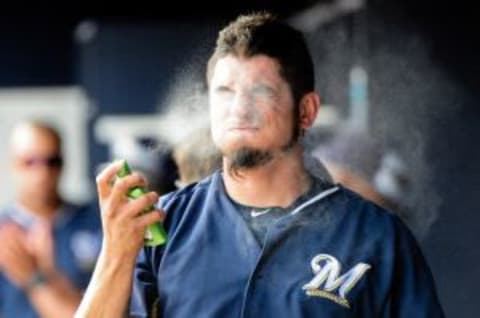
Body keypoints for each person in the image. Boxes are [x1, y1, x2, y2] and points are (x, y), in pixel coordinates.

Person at [76, 12, 444, 317]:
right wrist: (115, 253)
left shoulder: (375, 236)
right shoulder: (166, 225)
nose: (239, 108)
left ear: (306, 111)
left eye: (261, 91)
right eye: (225, 92)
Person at [0, 120, 102, 317]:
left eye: (52, 161)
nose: (43, 172)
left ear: (63, 163)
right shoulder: (4, 232)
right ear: (14, 164)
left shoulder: (97, 222)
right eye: (30, 162)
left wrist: (38, 276)